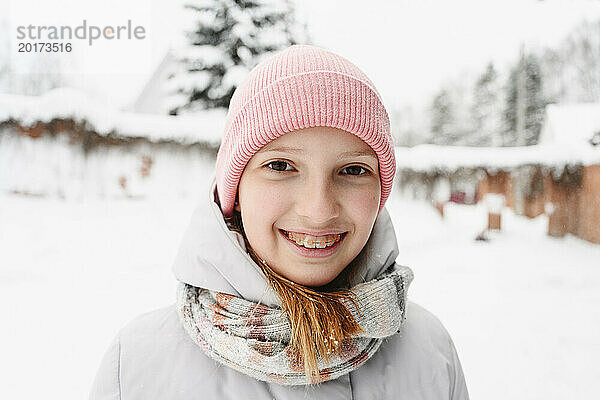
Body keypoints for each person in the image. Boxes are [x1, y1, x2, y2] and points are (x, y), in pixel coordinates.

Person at [89, 44, 469, 399]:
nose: (318, 210)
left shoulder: (432, 354)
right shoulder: (137, 368)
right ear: (234, 192)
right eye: (280, 166)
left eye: (353, 170)